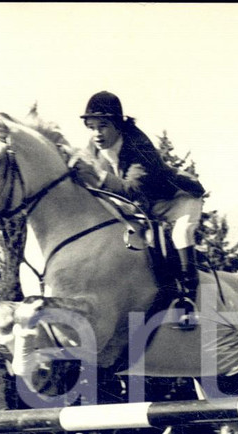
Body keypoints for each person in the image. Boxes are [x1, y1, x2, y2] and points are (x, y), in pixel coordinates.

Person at [71, 91, 205, 327]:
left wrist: (97, 175)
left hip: (176, 199)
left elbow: (133, 189)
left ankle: (188, 298)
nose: (96, 134)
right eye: (91, 127)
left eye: (102, 126)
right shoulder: (93, 146)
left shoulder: (139, 145)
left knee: (180, 234)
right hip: (142, 204)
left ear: (118, 125)